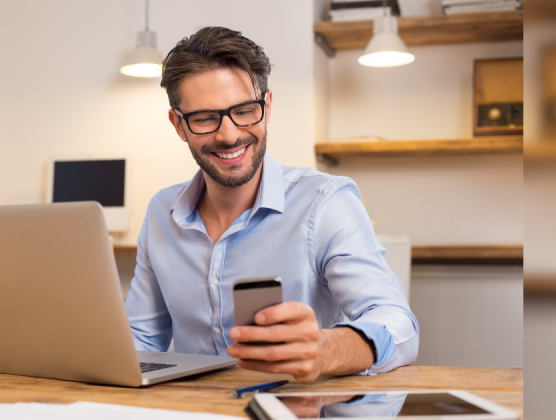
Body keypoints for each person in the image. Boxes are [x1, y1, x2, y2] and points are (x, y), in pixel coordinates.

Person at [124, 27, 418, 382]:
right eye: (204, 118)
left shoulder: (325, 203)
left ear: (267, 107)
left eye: (245, 110)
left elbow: (397, 324)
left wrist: (328, 349)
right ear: (178, 125)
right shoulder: (161, 213)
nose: (229, 134)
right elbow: (140, 342)